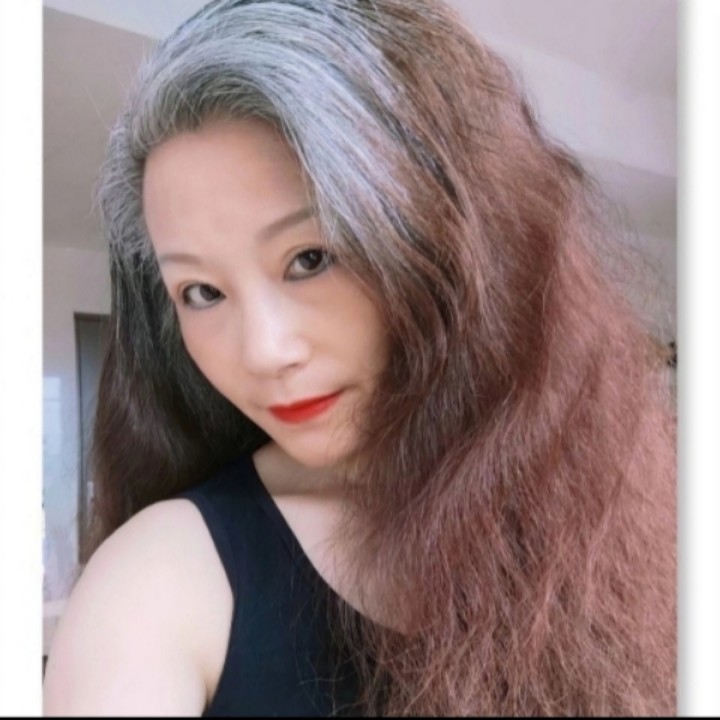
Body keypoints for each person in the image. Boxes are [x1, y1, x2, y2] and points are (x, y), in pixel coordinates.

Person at [43, 0, 676, 715]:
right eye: (202, 292)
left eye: (310, 258)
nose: (265, 352)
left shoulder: (598, 517)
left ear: (453, 242)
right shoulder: (158, 582)